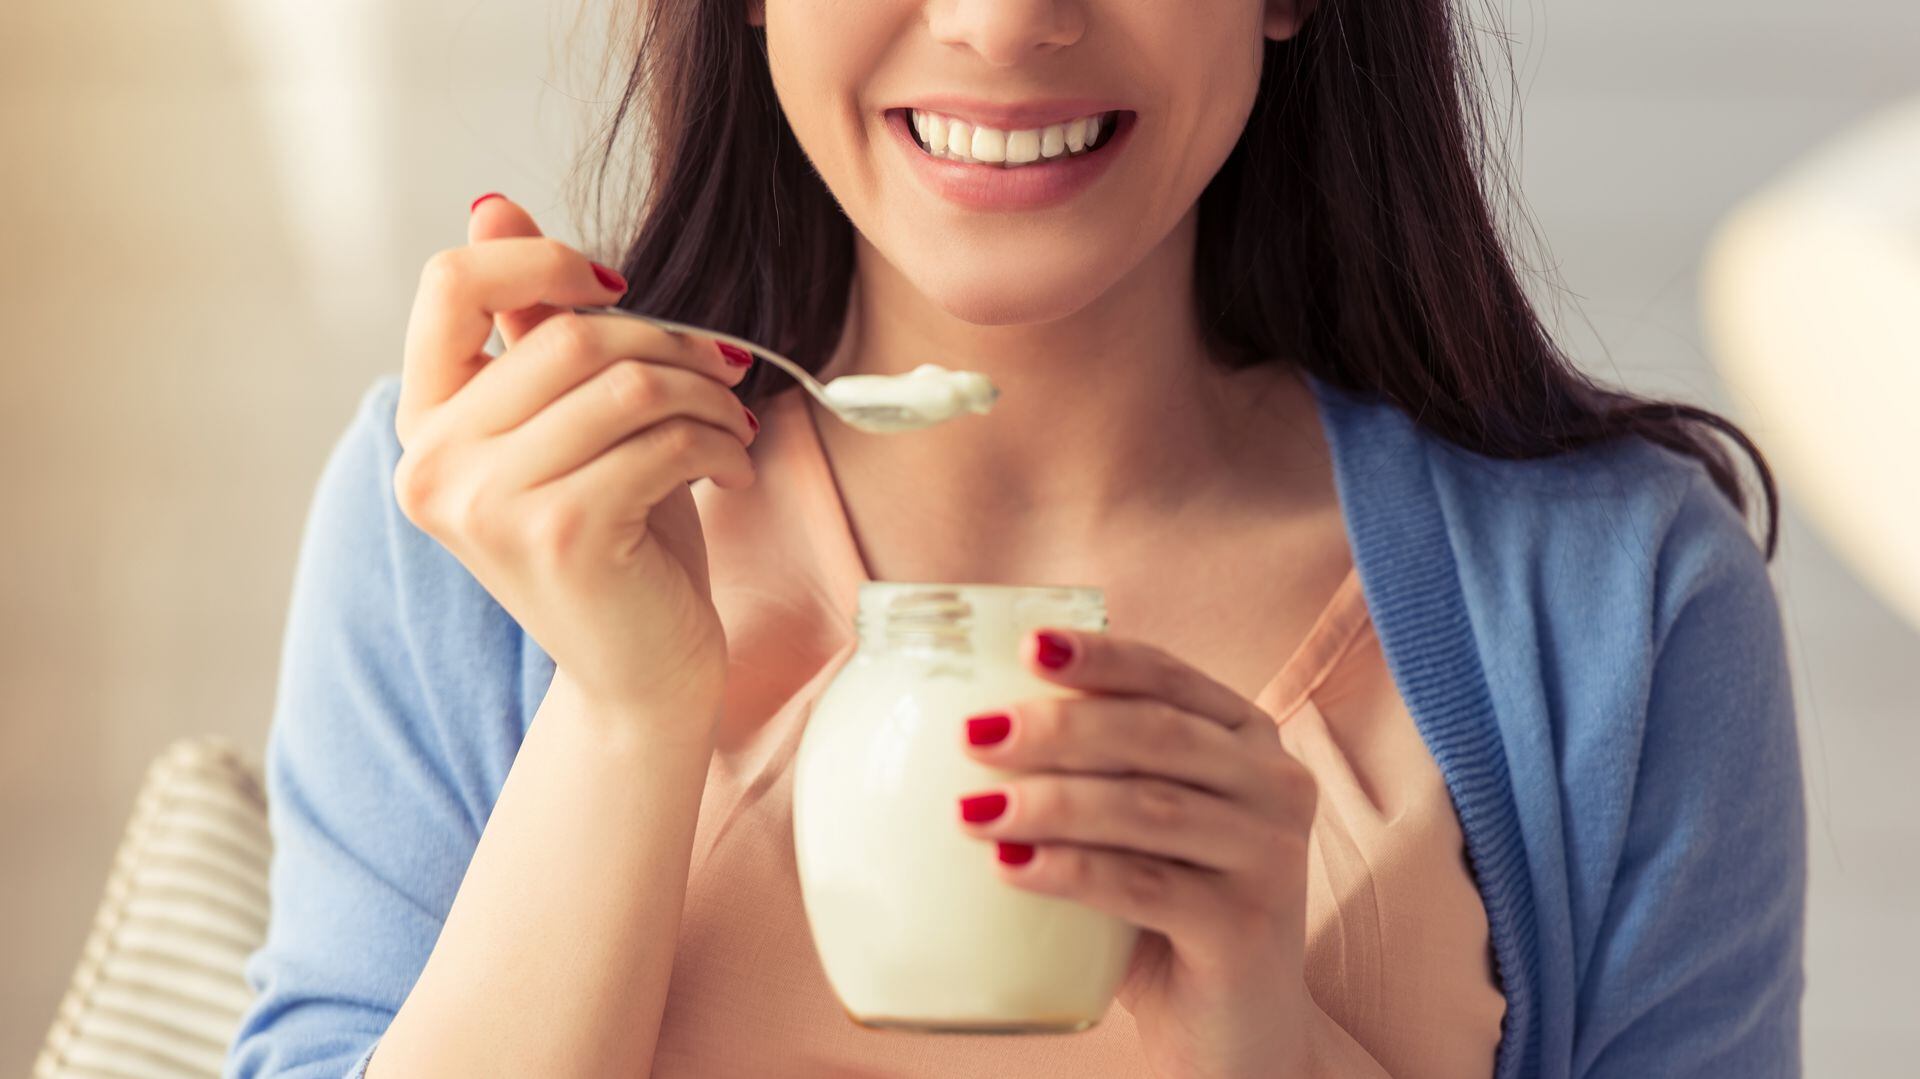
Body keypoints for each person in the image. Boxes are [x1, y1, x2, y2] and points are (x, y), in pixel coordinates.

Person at [225, 1, 1805, 1076]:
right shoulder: (482, 513)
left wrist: (1272, 1041)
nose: (998, 19)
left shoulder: (1626, 605)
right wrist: (628, 711)